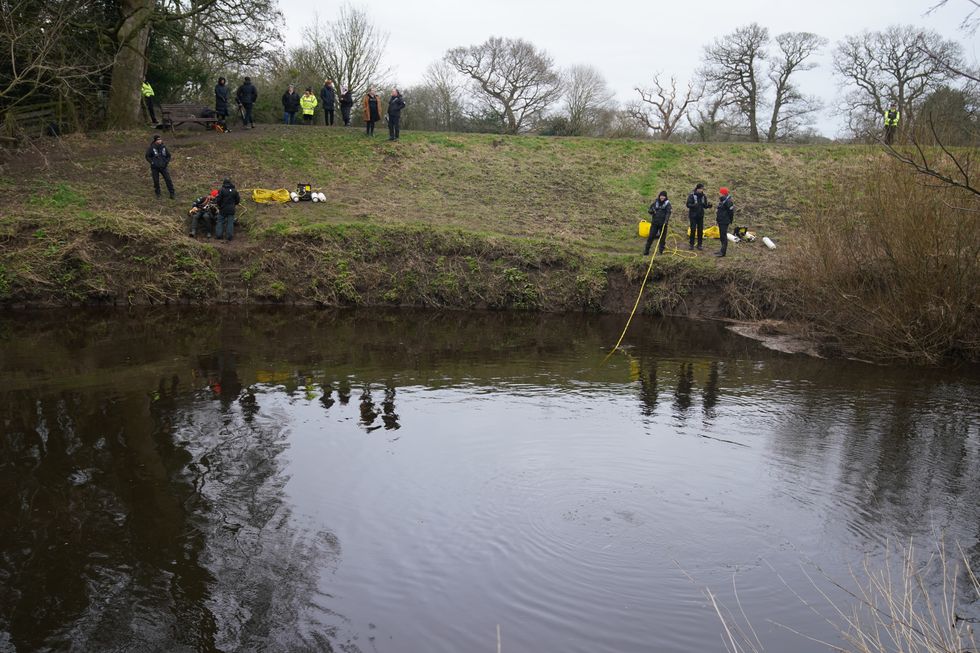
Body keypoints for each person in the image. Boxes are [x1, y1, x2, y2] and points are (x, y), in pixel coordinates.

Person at [145, 134, 175, 200]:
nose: (160, 141)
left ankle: (172, 193)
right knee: (156, 181)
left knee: (168, 180)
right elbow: (147, 156)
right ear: (155, 141)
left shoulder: (164, 147)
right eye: (158, 140)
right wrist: (152, 162)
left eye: (160, 139)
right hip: (155, 167)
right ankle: (158, 194)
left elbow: (169, 156)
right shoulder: (151, 148)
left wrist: (166, 162)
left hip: (163, 166)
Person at [643, 191, 672, 256]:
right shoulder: (655, 203)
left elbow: (668, 213)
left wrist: (666, 221)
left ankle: (661, 251)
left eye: (663, 196)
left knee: (662, 238)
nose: (662, 197)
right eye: (661, 196)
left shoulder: (668, 204)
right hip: (654, 223)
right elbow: (650, 210)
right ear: (659, 196)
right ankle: (646, 250)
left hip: (663, 224)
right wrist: (651, 211)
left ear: (665, 197)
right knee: (651, 237)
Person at [685, 182, 712, 251]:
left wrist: (708, 206)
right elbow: (688, 205)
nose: (701, 190)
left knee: (700, 230)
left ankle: (699, 245)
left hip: (700, 216)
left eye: (702, 189)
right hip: (693, 216)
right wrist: (694, 205)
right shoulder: (692, 195)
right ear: (697, 189)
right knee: (693, 229)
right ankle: (691, 244)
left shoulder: (703, 196)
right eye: (700, 189)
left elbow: (705, 206)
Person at [715, 187, 735, 257]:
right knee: (721, 236)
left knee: (723, 236)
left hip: (724, 221)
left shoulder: (728, 201)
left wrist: (730, 220)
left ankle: (723, 253)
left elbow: (731, 212)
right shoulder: (722, 200)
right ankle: (721, 250)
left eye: (720, 193)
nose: (718, 194)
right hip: (721, 220)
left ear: (722, 193)